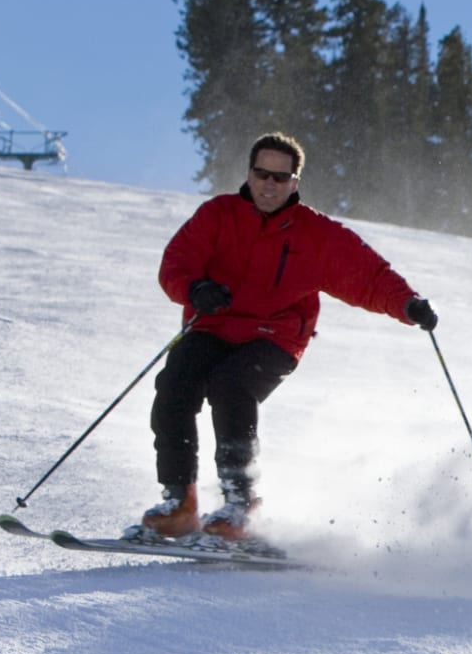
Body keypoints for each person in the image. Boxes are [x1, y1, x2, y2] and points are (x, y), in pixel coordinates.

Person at [140, 131, 438, 542]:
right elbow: (177, 263)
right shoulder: (217, 215)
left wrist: (409, 304)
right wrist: (195, 290)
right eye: (262, 174)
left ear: (295, 183)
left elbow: (367, 275)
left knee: (232, 385)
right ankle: (180, 502)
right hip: (213, 325)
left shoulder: (315, 234)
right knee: (174, 383)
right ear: (249, 173)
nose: (269, 184)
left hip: (275, 336)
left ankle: (239, 505)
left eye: (281, 178)